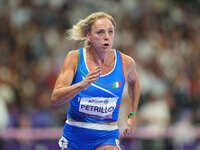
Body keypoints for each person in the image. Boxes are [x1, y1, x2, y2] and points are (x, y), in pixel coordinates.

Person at [51, 12, 140, 150]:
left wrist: (132, 114)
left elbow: (134, 83)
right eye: (100, 32)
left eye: (111, 32)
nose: (107, 37)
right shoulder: (75, 58)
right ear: (89, 36)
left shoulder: (126, 62)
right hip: (75, 135)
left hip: (106, 136)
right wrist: (81, 85)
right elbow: (55, 98)